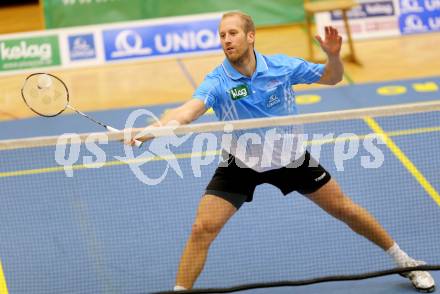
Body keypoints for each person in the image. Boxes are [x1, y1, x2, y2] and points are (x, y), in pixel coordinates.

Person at [129, 12, 436, 293]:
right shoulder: (218, 81)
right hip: (241, 162)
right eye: (222, 35)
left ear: (251, 36)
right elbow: (186, 112)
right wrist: (148, 132)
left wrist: (332, 56)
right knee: (202, 228)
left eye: (233, 33)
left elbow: (332, 77)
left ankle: (406, 261)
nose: (226, 40)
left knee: (345, 209)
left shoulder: (281, 67)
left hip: (290, 158)